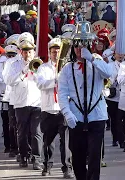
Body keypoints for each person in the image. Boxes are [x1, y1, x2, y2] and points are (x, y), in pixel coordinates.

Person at [58, 25, 117, 179]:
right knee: (77, 156)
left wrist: (91, 58)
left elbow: (109, 73)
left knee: (94, 155)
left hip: (96, 115)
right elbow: (62, 93)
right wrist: (67, 113)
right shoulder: (67, 68)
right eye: (76, 45)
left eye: (83, 44)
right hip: (76, 115)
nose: (79, 48)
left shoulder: (96, 62)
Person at [3, 32, 42, 170]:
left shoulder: (39, 62)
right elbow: (8, 81)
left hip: (36, 102)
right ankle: (24, 156)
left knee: (36, 132)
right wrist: (23, 72)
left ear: (33, 51)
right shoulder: (12, 63)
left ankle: (36, 158)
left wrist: (36, 72)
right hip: (20, 102)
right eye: (24, 51)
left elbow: (43, 82)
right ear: (20, 51)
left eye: (30, 51)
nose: (27, 54)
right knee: (22, 132)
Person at [36, 38, 73, 178]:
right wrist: (55, 81)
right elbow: (40, 84)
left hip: (63, 109)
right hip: (48, 109)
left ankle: (67, 168)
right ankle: (46, 166)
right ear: (49, 53)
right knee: (48, 141)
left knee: (66, 142)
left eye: (58, 52)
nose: (56, 54)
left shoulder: (67, 67)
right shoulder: (43, 68)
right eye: (53, 52)